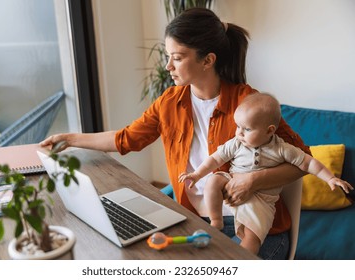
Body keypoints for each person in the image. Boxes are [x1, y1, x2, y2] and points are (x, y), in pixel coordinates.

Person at [41, 8, 311, 259]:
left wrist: (253, 181)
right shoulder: (169, 102)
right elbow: (126, 139)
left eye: (178, 58)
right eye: (168, 56)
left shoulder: (248, 103)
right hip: (194, 220)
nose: (168, 66)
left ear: (208, 60)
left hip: (256, 229)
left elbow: (305, 160)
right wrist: (71, 139)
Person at [178, 93, 353, 255]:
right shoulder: (237, 143)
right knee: (214, 181)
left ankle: (240, 260)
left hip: (261, 201)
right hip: (232, 180)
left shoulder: (282, 149)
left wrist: (330, 178)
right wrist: (197, 174)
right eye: (237, 126)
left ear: (269, 131)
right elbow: (215, 159)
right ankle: (216, 221)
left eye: (246, 129)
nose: (239, 132)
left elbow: (308, 163)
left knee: (252, 238)